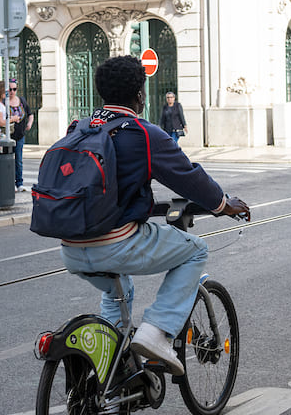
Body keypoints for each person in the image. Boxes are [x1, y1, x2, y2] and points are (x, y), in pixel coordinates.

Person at [55, 56, 250, 374]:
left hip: (72, 247)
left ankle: (109, 365)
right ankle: (156, 333)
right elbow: (189, 178)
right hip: (116, 243)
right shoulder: (143, 134)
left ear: (102, 93)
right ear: (140, 95)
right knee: (195, 251)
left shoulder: (79, 129)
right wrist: (223, 204)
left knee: (120, 290)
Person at [6, 79, 34, 192]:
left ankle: (19, 183)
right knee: (8, 160)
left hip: (20, 135)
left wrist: (29, 123)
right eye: (10, 89)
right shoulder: (4, 102)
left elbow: (30, 114)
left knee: (18, 160)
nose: (12, 91)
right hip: (8, 136)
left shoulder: (21, 100)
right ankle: (8, 182)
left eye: (14, 89)